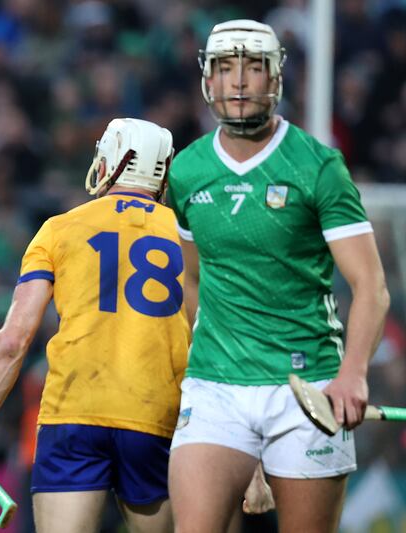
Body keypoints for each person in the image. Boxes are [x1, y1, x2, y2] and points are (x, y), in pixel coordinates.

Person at [166, 19, 390, 533]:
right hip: (216, 387)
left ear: (275, 77)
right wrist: (211, 352)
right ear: (208, 78)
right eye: (225, 68)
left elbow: (372, 288)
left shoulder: (318, 166)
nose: (238, 81)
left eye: (252, 67)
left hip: (307, 386)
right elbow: (191, 281)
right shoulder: (187, 171)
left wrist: (353, 373)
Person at [0, 118, 190, 533]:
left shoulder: (60, 228)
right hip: (156, 412)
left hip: (74, 412)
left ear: (109, 161)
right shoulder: (189, 237)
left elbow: (13, 340)